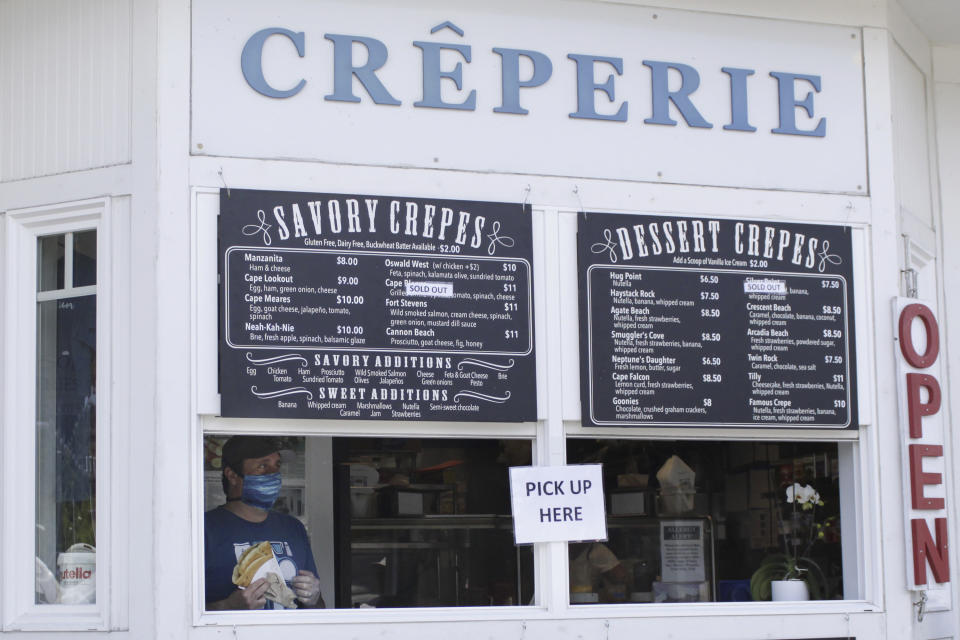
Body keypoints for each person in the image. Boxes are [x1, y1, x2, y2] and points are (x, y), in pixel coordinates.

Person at [205, 436, 325, 610]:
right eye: (262, 466)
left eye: (277, 465)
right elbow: (176, 615)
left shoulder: (293, 528)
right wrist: (228, 606)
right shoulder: (205, 529)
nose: (273, 474)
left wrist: (314, 598)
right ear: (232, 475)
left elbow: (319, 610)